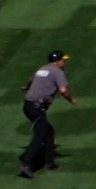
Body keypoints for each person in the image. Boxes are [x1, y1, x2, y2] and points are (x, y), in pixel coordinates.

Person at [19, 50, 76, 179]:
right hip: (36, 108)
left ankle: (49, 163)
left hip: (29, 105)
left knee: (49, 132)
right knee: (41, 134)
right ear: (57, 61)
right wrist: (71, 99)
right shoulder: (58, 72)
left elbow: (31, 80)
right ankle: (26, 164)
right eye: (63, 60)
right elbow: (63, 90)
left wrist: (27, 87)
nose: (64, 62)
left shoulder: (43, 69)